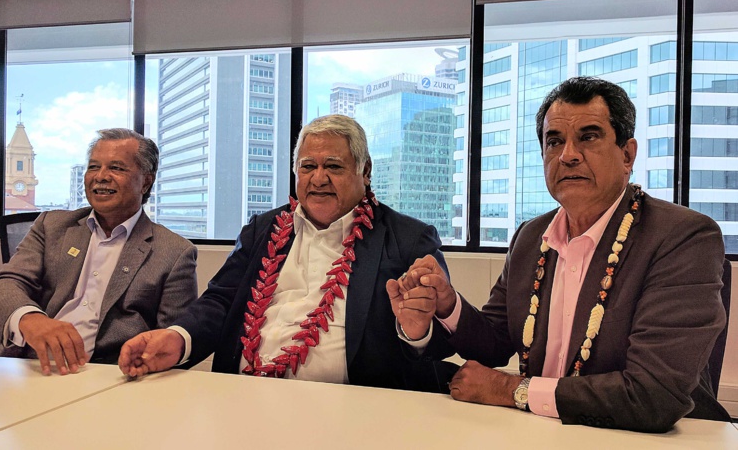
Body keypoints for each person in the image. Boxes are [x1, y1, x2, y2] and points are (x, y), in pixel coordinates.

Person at [388, 77, 730, 432]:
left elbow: (652, 394)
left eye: (588, 137)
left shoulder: (682, 237)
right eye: (554, 141)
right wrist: (446, 304)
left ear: (627, 154)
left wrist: (511, 389)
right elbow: (495, 344)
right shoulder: (531, 236)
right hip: (543, 432)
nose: (568, 155)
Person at [119, 114, 456, 392]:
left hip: (351, 408)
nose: (318, 179)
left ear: (365, 171)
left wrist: (416, 332)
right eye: (307, 166)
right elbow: (220, 301)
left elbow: (442, 340)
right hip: (242, 396)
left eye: (334, 166)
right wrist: (177, 339)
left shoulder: (408, 239)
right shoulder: (263, 229)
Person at [0, 128, 198, 376]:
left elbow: (171, 342)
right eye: (93, 167)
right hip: (35, 367)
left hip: (112, 376)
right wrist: (30, 319)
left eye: (116, 168)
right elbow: (0, 288)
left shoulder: (175, 252)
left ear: (146, 181)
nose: (101, 177)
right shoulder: (52, 226)